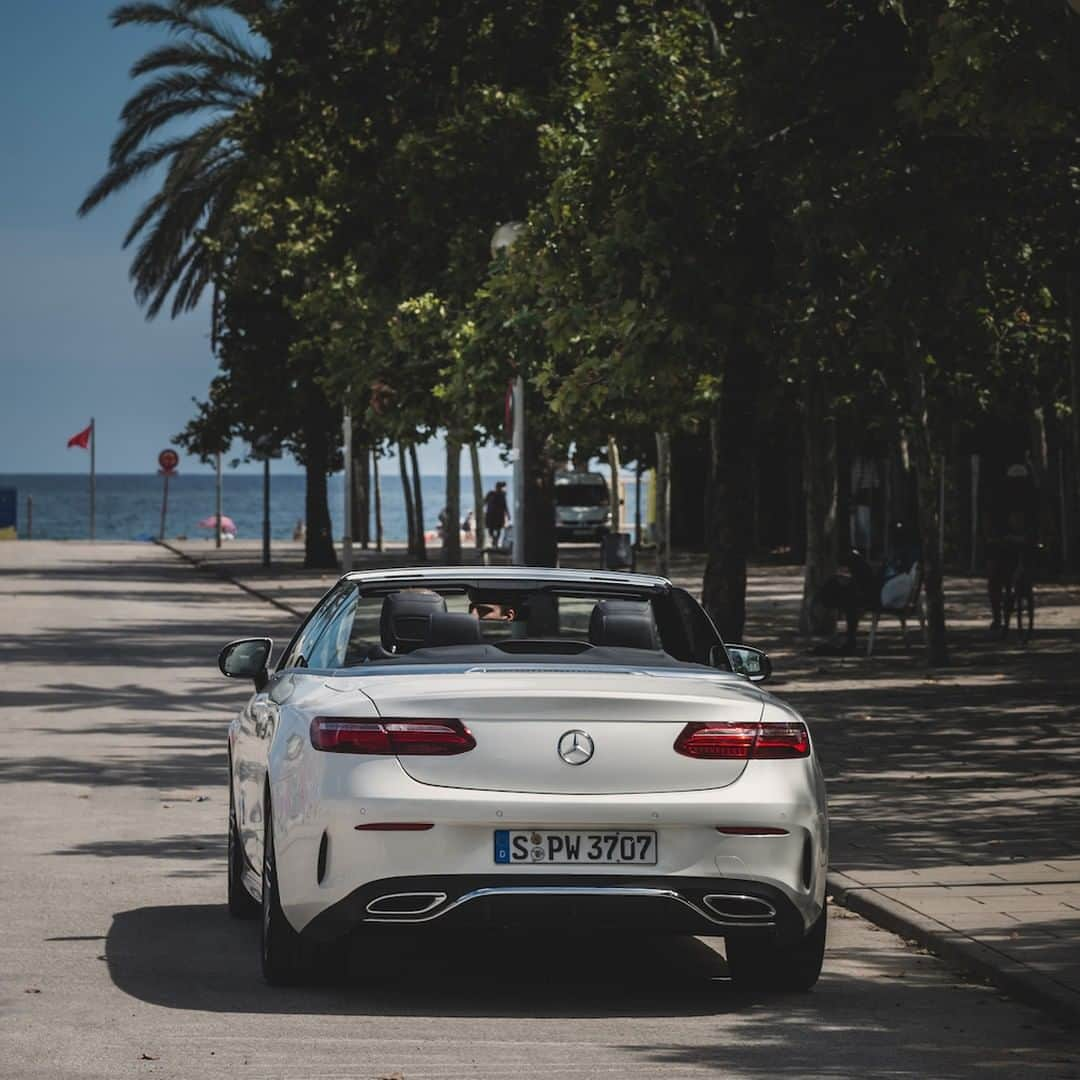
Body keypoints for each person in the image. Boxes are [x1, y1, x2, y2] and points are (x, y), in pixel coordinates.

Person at [813, 548, 881, 655]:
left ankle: (848, 640)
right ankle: (848, 640)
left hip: (872, 598)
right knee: (845, 595)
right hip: (869, 593)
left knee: (848, 599)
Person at [483, 481, 509, 547]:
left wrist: (508, 514)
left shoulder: (502, 495)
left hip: (497, 516)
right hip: (491, 515)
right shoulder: (491, 494)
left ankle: (495, 541)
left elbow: (505, 505)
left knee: (498, 530)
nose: (499, 489)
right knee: (491, 530)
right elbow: (484, 502)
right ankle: (495, 540)